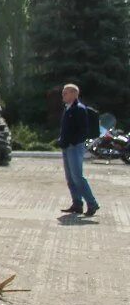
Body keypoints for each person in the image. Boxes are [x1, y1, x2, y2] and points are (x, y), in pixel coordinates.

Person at [58, 82, 99, 217]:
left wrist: (72, 142)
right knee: (70, 178)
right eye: (63, 93)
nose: (63, 95)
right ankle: (77, 204)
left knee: (77, 177)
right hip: (66, 146)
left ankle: (92, 203)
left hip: (74, 147)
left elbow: (83, 130)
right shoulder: (67, 108)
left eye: (65, 93)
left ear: (74, 94)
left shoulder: (79, 109)